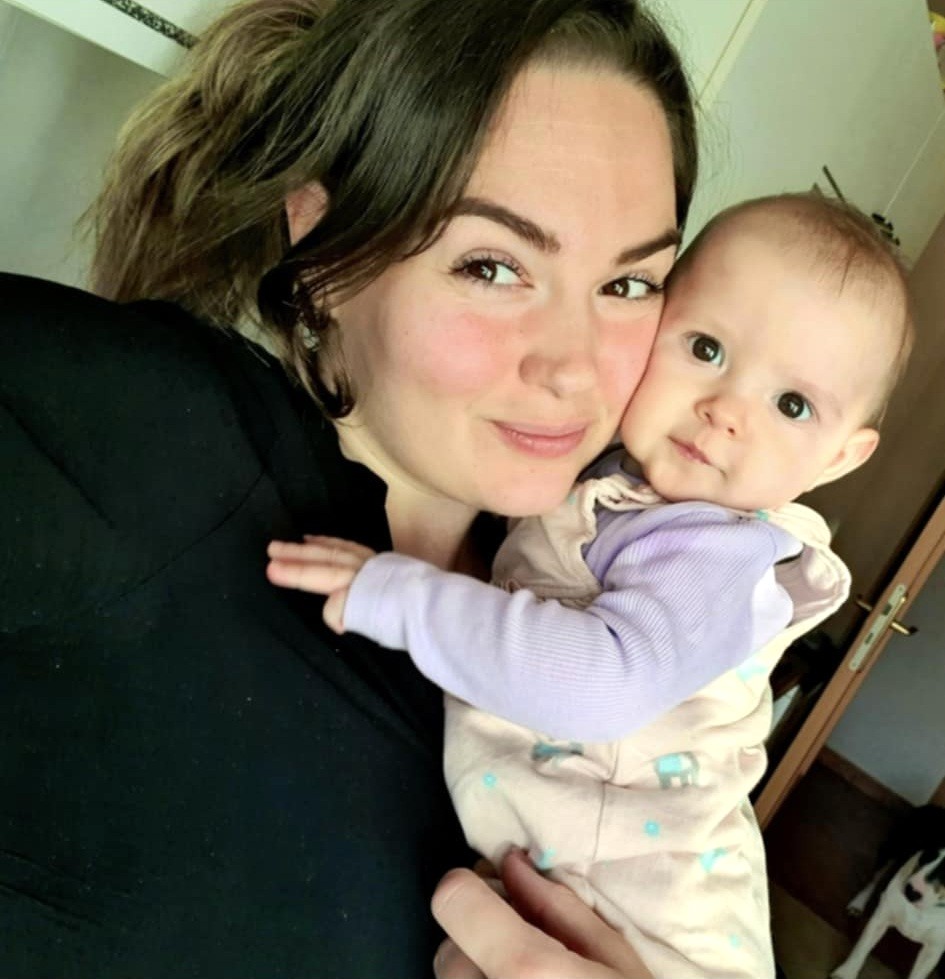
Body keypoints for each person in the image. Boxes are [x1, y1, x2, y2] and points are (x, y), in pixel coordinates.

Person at [0, 0, 698, 975]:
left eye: (628, 285)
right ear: (327, 254)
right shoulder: (144, 440)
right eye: (492, 266)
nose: (576, 368)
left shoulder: (618, 595)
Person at [266, 192, 915, 977]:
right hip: (575, 886)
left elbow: (600, 682)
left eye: (791, 403)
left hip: (655, 924)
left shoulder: (716, 553)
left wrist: (399, 597)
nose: (724, 410)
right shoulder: (621, 484)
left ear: (839, 457)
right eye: (706, 347)